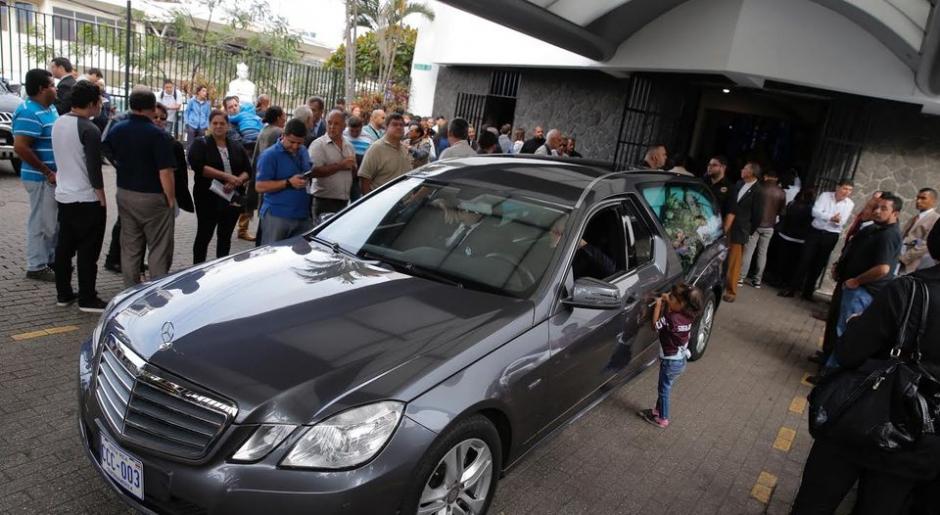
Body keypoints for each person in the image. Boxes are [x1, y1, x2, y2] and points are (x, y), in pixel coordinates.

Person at [791, 223, 940, 515]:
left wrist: (857, 324)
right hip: (922, 439)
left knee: (815, 503)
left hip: (864, 422)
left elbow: (849, 353)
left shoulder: (909, 290)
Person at [103, 90, 176, 287]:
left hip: (125, 192)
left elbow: (106, 148)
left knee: (130, 246)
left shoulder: (118, 129)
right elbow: (165, 172)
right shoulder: (158, 135)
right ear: (152, 108)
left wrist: (120, 165)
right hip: (153, 196)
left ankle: (130, 290)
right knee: (159, 247)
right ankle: (157, 289)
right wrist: (170, 199)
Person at [50, 80, 108, 312]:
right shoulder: (89, 129)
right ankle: (87, 298)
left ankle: (63, 294)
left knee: (64, 248)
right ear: (92, 103)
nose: (101, 105)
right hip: (86, 199)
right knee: (87, 251)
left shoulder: (58, 122)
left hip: (64, 196)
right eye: (99, 101)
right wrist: (102, 197)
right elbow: (94, 169)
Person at [830, 193, 903, 340]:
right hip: (851, 285)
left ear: (895, 213)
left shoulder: (889, 235)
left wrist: (857, 281)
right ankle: (830, 352)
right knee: (838, 325)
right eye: (876, 207)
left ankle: (837, 355)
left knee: (847, 332)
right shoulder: (874, 229)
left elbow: (882, 269)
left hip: (862, 290)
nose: (877, 211)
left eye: (883, 208)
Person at [13, 69, 59, 282]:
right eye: (52, 85)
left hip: (50, 178)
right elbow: (21, 147)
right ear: (42, 89)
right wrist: (46, 171)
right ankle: (36, 266)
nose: (56, 89)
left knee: (51, 222)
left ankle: (49, 260)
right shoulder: (28, 112)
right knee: (40, 222)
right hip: (40, 178)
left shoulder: (49, 109)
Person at [188, 110, 251, 264]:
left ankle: (221, 268)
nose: (218, 126)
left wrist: (237, 181)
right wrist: (226, 177)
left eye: (222, 123)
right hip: (208, 198)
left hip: (232, 198)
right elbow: (198, 166)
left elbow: (248, 170)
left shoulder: (236, 145)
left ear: (228, 125)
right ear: (209, 125)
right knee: (204, 235)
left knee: (225, 236)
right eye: (215, 123)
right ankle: (197, 269)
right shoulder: (200, 143)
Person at [637, 283, 703, 429]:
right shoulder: (689, 316)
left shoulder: (671, 318)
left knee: (664, 390)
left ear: (682, 304)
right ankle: (657, 411)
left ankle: (663, 419)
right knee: (665, 387)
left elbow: (655, 326)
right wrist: (669, 301)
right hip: (680, 360)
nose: (669, 297)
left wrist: (658, 305)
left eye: (672, 297)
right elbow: (670, 319)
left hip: (670, 362)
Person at [780, 179, 855, 299]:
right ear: (838, 187)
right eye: (845, 188)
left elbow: (842, 221)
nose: (846, 192)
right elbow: (815, 212)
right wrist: (830, 217)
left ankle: (808, 292)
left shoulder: (849, 204)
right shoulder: (825, 196)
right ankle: (792, 288)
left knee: (819, 263)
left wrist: (827, 217)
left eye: (850, 190)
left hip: (831, 235)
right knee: (804, 259)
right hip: (815, 232)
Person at [255, 119, 313, 244]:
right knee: (272, 253)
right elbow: (260, 186)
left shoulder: (303, 150)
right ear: (283, 136)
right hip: (277, 215)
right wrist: (288, 182)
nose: (295, 146)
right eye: (291, 142)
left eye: (299, 143)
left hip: (302, 215)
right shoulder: (269, 155)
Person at [722, 162, 764, 302]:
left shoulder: (758, 191)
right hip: (728, 224)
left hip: (740, 229)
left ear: (752, 172)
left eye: (745, 168)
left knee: (734, 262)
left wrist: (748, 230)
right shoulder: (739, 184)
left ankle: (731, 291)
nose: (742, 170)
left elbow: (757, 215)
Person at [739, 169, 786, 288]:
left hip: (755, 224)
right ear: (776, 179)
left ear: (765, 176)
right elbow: (782, 212)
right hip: (769, 226)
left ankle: (741, 277)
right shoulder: (781, 192)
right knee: (762, 253)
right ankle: (757, 280)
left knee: (748, 251)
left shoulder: (759, 188)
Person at [309, 110, 357, 219]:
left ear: (344, 126)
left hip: (343, 201)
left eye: (336, 124)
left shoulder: (349, 146)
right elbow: (313, 172)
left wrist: (353, 168)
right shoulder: (318, 145)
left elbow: (353, 173)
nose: (332, 127)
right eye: (329, 123)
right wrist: (340, 166)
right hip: (324, 200)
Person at [766, 187, 816, 288]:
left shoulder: (792, 204)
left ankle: (777, 279)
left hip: (785, 235)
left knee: (781, 259)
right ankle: (786, 281)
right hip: (800, 239)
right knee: (792, 262)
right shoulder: (812, 209)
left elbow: (783, 216)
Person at [153, 104, 194, 216]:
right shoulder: (138, 140)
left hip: (165, 196)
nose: (158, 120)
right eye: (155, 117)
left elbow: (182, 175)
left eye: (162, 118)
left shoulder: (174, 145)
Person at [358, 113, 412, 195]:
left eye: (401, 125)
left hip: (402, 200)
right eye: (394, 124)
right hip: (381, 200)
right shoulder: (376, 148)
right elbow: (365, 178)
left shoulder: (404, 149)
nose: (399, 127)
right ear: (386, 127)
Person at [899, 187, 939, 274]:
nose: (918, 201)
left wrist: (904, 258)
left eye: (923, 198)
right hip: (898, 257)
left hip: (912, 265)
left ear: (933, 201)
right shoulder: (914, 218)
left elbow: (925, 244)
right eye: (917, 198)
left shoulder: (935, 219)